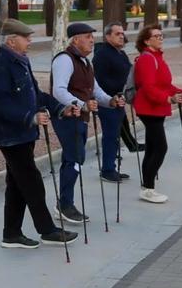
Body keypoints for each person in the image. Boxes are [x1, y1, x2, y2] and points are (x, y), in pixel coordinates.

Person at [0, 19, 80, 249]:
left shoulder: (20, 62)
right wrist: (31, 117)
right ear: (11, 40)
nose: (30, 42)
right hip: (10, 135)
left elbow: (36, 95)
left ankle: (12, 234)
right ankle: (47, 230)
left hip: (23, 135)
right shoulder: (0, 66)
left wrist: (60, 108)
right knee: (32, 181)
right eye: (26, 38)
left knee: (17, 184)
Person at [50, 23, 126, 223]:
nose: (92, 40)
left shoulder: (86, 62)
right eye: (87, 36)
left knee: (75, 158)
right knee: (74, 158)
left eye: (92, 36)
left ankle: (65, 202)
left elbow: (96, 90)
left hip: (80, 116)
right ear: (75, 40)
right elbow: (58, 90)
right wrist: (82, 104)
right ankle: (64, 204)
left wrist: (110, 100)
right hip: (68, 116)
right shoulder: (65, 60)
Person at [132, 23, 182, 204]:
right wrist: (168, 99)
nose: (161, 38)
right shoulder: (147, 59)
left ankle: (147, 186)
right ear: (146, 40)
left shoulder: (158, 57)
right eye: (157, 36)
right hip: (149, 108)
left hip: (156, 108)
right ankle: (148, 189)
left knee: (152, 148)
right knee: (160, 147)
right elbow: (148, 87)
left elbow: (166, 85)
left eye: (161, 36)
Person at [91, 23, 140, 182]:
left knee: (115, 135)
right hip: (107, 101)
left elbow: (128, 73)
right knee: (110, 136)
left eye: (122, 33)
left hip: (119, 100)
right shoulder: (102, 55)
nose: (121, 36)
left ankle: (111, 166)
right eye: (117, 33)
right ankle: (107, 170)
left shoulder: (121, 54)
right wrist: (115, 94)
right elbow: (99, 81)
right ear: (107, 36)